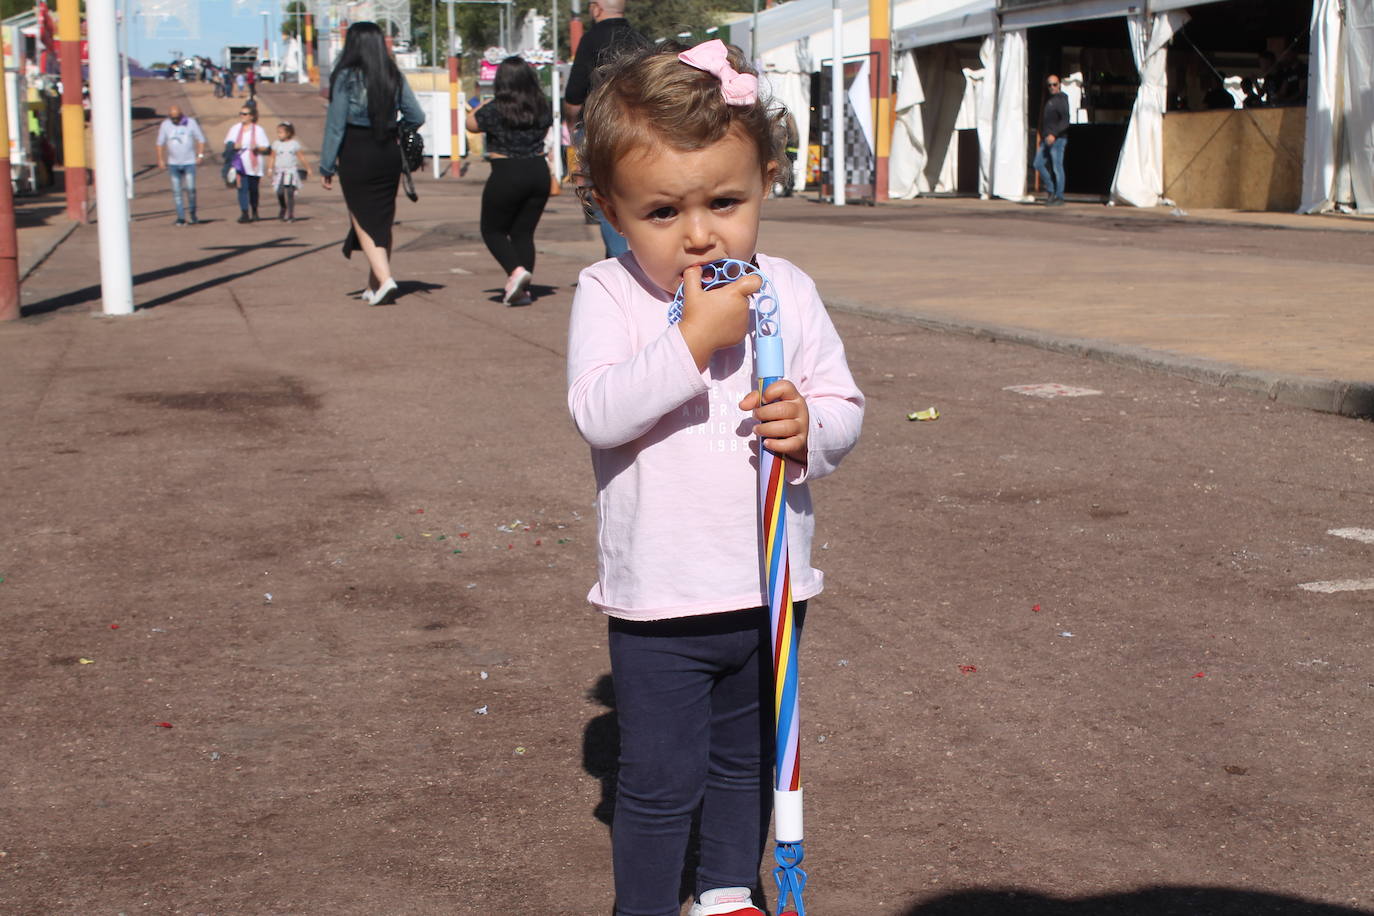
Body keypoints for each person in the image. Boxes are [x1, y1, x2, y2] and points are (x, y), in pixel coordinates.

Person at [566, 40, 865, 916]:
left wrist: (812, 429)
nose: (700, 234)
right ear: (612, 211)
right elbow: (599, 410)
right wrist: (692, 341)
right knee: (659, 780)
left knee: (748, 761)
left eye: (726, 202)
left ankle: (728, 888)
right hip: (660, 600)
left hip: (769, 586)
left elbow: (844, 402)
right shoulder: (611, 293)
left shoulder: (788, 290)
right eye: (663, 212)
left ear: (767, 181)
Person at [318, 21, 425, 306]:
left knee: (362, 218)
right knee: (381, 218)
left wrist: (326, 165)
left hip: (356, 151)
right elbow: (416, 115)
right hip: (388, 151)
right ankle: (373, 284)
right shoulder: (392, 74)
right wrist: (394, 127)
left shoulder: (346, 76)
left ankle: (387, 279)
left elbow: (336, 126)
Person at [562, 0, 647, 259]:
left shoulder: (591, 39)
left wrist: (572, 126)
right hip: (640, 128)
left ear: (596, 7)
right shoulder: (642, 40)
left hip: (600, 129)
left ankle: (621, 261)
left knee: (607, 197)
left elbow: (574, 94)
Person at [467, 56, 553, 306]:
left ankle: (515, 271)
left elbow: (470, 123)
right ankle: (523, 291)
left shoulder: (494, 108)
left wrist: (485, 101)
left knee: (492, 230)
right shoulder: (541, 106)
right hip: (538, 171)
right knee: (523, 233)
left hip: (506, 171)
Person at [155, 104, 207, 226]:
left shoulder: (191, 123)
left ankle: (193, 214)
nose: (175, 120)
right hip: (173, 163)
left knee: (191, 189)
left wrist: (200, 155)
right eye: (172, 117)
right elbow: (159, 143)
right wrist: (160, 159)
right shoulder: (165, 125)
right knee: (177, 191)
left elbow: (201, 139)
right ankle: (181, 217)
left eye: (176, 117)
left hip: (189, 162)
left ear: (181, 114)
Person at [224, 105, 271, 222]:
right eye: (241, 113)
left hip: (254, 165)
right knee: (242, 188)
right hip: (239, 164)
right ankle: (244, 212)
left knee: (253, 189)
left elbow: (266, 148)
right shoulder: (234, 129)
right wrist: (235, 146)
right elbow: (227, 145)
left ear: (252, 116)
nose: (242, 116)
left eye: (245, 114)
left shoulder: (259, 130)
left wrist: (257, 148)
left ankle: (254, 210)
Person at [1033, 73, 1070, 205]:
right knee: (1037, 163)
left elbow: (1065, 121)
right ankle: (1051, 190)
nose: (1052, 87)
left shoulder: (1061, 99)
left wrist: (1054, 134)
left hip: (1058, 139)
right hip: (1046, 139)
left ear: (1059, 84)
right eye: (1049, 85)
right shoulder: (1049, 101)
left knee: (1057, 167)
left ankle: (1059, 196)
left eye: (1054, 84)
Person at [268, 121, 309, 222]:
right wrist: (269, 168)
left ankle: (290, 213)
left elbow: (301, 157)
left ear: (288, 133)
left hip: (290, 172)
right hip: (280, 171)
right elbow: (272, 157)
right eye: (278, 132)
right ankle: (283, 207)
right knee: (280, 191)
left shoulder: (294, 144)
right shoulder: (276, 144)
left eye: (281, 132)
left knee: (290, 192)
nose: (279, 135)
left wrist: (308, 168)